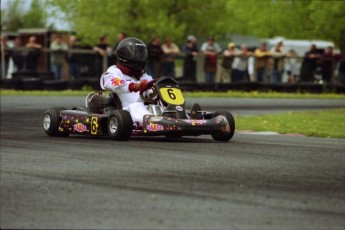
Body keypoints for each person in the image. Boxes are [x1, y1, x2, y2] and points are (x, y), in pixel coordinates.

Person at [100, 37, 155, 126]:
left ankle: (175, 119)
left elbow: (151, 89)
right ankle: (152, 123)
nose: (140, 57)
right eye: (137, 55)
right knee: (137, 106)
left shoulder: (144, 75)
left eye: (141, 55)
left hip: (146, 108)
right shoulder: (115, 71)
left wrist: (154, 92)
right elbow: (113, 83)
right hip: (126, 110)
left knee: (164, 108)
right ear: (125, 55)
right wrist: (135, 86)